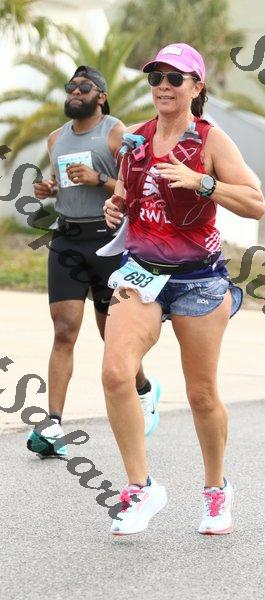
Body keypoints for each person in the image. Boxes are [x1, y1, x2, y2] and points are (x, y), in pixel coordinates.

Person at [102, 43, 265, 536]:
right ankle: (142, 488)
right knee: (115, 373)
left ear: (197, 87)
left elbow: (255, 202)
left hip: (198, 280)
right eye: (156, 77)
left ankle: (216, 489)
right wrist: (116, 208)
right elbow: (126, 194)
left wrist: (202, 182)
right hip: (140, 272)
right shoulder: (134, 139)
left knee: (201, 394)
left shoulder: (212, 141)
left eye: (175, 78)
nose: (164, 86)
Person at [28, 65, 160, 459]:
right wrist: (50, 189)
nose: (74, 92)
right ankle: (53, 424)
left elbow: (137, 185)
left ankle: (143, 389)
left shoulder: (116, 133)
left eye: (83, 87)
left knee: (112, 335)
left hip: (109, 241)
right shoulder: (56, 138)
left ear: (100, 95)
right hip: (67, 239)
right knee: (64, 330)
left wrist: (99, 180)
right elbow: (64, 186)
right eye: (70, 87)